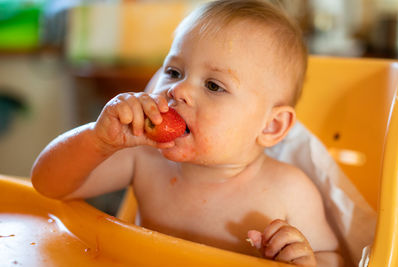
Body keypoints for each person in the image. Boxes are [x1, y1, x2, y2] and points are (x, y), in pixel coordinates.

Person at [31, 0, 342, 266]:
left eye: (213, 85)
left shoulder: (288, 190)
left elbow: (333, 257)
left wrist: (307, 259)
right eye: (174, 71)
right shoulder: (145, 159)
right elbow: (49, 184)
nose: (178, 90)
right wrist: (97, 140)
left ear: (271, 126)